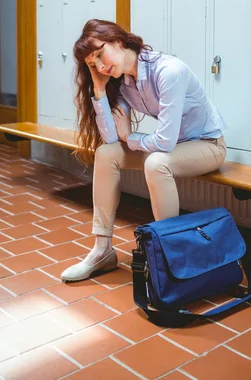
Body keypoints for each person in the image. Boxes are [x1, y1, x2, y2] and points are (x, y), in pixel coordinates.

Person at [61, 19, 227, 282]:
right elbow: (112, 139)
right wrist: (100, 90)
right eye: (93, 64)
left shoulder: (168, 71)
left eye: (101, 55)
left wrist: (131, 136)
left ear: (117, 40)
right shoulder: (122, 82)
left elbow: (163, 143)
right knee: (106, 154)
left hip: (207, 146)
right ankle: (102, 250)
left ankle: (169, 256)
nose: (101, 66)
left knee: (156, 163)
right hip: (171, 149)